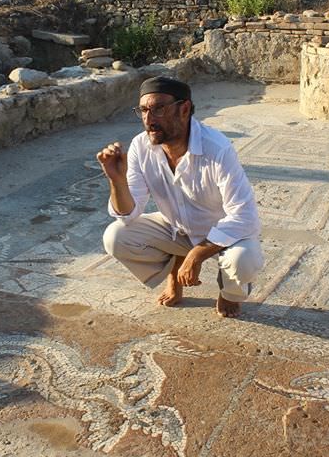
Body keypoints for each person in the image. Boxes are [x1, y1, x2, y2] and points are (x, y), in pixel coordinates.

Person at [98, 77, 264, 319]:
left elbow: (245, 217)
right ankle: (173, 271)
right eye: (143, 110)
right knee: (116, 236)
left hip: (224, 232)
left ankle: (230, 292)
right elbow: (128, 214)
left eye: (158, 109)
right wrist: (117, 180)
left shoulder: (216, 148)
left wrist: (197, 254)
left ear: (184, 109)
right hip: (176, 227)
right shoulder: (140, 146)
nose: (149, 119)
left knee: (243, 260)